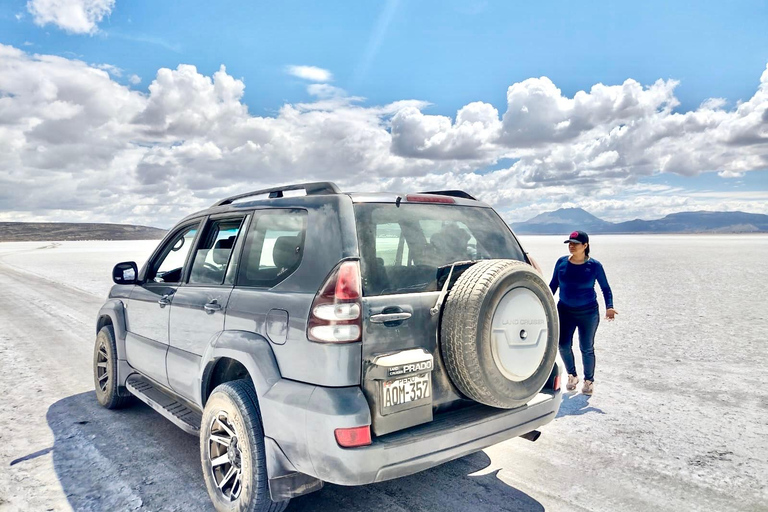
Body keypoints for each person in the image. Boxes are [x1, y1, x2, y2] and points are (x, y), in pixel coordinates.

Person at [548, 230, 617, 395]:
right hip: (565, 311)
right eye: (570, 243)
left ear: (585, 245)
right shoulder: (561, 262)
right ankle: (572, 375)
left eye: (575, 244)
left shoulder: (594, 266)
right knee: (563, 345)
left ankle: (588, 381)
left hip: (588, 313)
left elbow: (605, 288)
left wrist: (609, 306)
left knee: (586, 347)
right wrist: (544, 302)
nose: (571, 246)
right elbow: (553, 285)